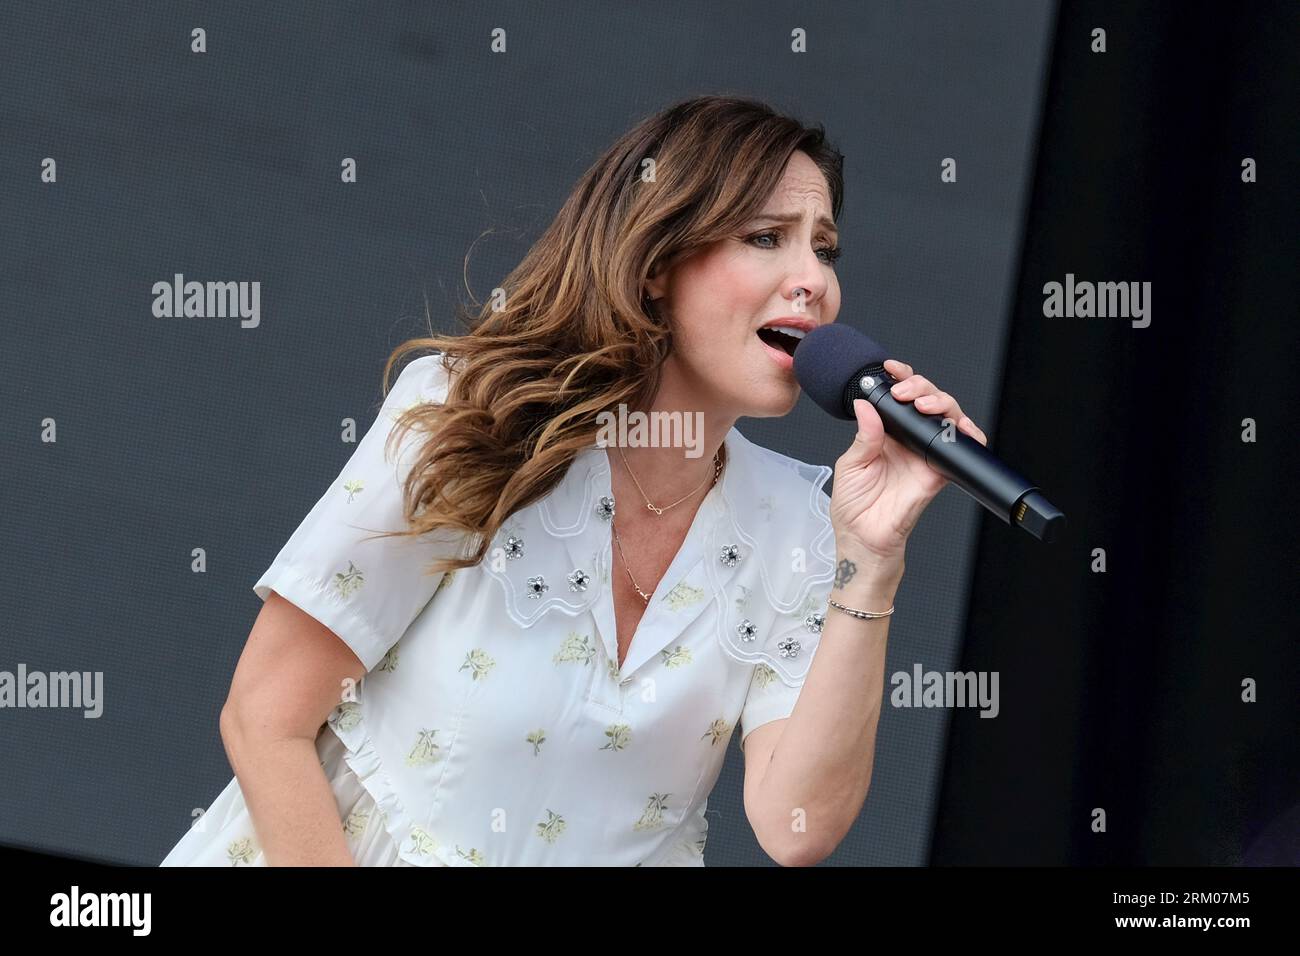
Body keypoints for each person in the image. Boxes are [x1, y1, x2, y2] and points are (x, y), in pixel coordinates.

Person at [160, 94, 987, 868]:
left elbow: (794, 826)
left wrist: (872, 557)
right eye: (767, 237)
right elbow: (265, 717)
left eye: (825, 247)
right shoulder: (477, 419)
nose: (814, 279)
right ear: (659, 258)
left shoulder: (800, 526)